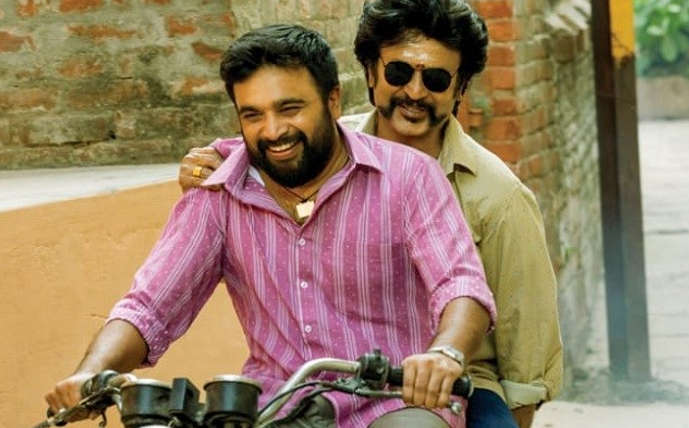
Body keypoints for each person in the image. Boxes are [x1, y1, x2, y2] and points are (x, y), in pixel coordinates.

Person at [44, 24, 497, 428]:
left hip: (394, 401)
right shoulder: (217, 191)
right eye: (253, 114)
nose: (273, 130)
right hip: (275, 410)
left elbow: (461, 285)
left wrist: (444, 354)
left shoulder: (410, 175)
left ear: (333, 101)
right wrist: (90, 373)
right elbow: (149, 307)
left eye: (290, 108)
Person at [180, 1, 563, 427]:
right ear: (370, 73)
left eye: (436, 80)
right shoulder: (325, 148)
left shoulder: (500, 196)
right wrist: (208, 169)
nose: (415, 92)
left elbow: (526, 349)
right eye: (398, 73)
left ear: (460, 89)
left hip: (458, 381)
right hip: (335, 379)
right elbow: (266, 146)